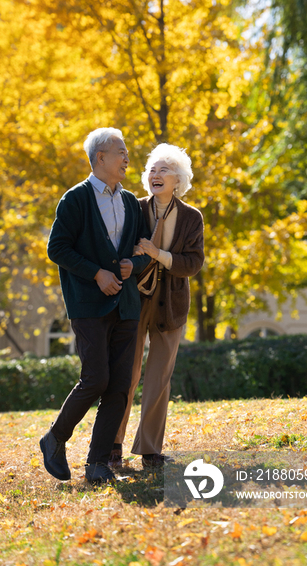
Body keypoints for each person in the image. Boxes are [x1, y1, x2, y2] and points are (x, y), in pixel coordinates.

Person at [40, 127, 151, 484]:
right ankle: (55, 438)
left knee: (119, 384)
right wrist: (97, 274)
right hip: (88, 305)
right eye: (121, 152)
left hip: (127, 307)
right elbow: (56, 248)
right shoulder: (75, 199)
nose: (127, 158)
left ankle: (97, 463)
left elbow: (142, 250)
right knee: (96, 378)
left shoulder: (132, 202)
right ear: (100, 157)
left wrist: (133, 266)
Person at [110, 143, 204, 469]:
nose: (155, 174)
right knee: (126, 373)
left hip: (172, 306)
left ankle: (150, 449)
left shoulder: (192, 218)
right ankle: (113, 445)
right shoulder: (133, 208)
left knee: (158, 378)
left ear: (178, 179)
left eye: (163, 169)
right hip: (134, 302)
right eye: (152, 169)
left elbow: (192, 264)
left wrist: (157, 253)